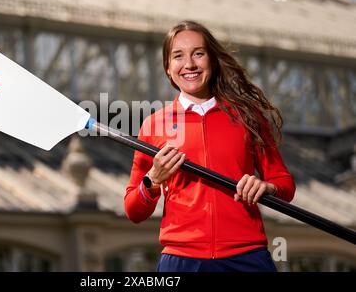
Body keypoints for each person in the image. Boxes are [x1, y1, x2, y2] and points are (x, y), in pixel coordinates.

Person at [124, 20, 296, 272]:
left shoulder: (248, 117)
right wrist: (153, 180)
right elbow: (133, 211)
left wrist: (266, 186)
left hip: (246, 256)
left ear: (212, 61)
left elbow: (285, 183)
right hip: (181, 260)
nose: (189, 64)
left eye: (198, 53)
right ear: (168, 68)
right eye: (178, 56)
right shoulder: (153, 125)